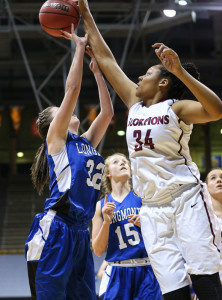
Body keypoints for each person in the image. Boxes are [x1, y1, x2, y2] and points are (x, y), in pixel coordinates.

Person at [78, 2, 222, 299]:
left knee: (204, 275)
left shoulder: (177, 107)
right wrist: (85, 12)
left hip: (185, 199)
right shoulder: (134, 104)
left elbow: (216, 109)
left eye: (146, 74)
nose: (139, 78)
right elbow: (106, 58)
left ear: (164, 82)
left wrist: (180, 70)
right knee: (172, 288)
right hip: (152, 208)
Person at [25, 24, 114, 299]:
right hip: (57, 228)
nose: (70, 109)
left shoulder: (85, 142)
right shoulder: (57, 140)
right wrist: (77, 48)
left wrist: (99, 75)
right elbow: (72, 88)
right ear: (55, 122)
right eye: (62, 109)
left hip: (80, 232)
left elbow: (108, 113)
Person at [92, 153, 162, 299]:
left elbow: (162, 235)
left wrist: (145, 225)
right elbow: (98, 250)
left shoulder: (144, 198)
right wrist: (106, 222)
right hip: (118, 270)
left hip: (147, 269)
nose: (123, 163)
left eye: (125, 161)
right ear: (108, 173)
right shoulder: (100, 206)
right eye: (116, 162)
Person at [206, 168, 222, 283]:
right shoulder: (201, 216)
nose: (219, 180)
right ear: (206, 187)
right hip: (211, 281)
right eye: (213, 178)